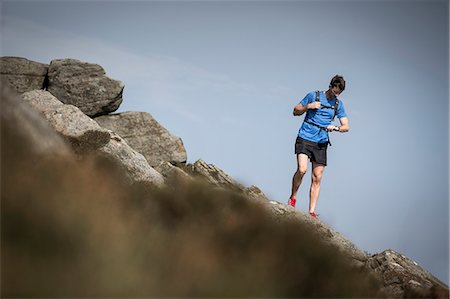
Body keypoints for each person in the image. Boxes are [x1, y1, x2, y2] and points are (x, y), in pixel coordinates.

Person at [288, 75, 349, 219]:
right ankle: (293, 198)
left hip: (321, 142)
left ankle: (311, 212)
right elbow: (295, 111)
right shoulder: (313, 95)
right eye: (335, 92)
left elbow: (346, 126)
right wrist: (308, 106)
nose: (336, 95)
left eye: (339, 93)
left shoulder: (338, 105)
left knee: (317, 177)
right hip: (305, 137)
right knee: (302, 169)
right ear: (330, 86)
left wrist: (335, 128)